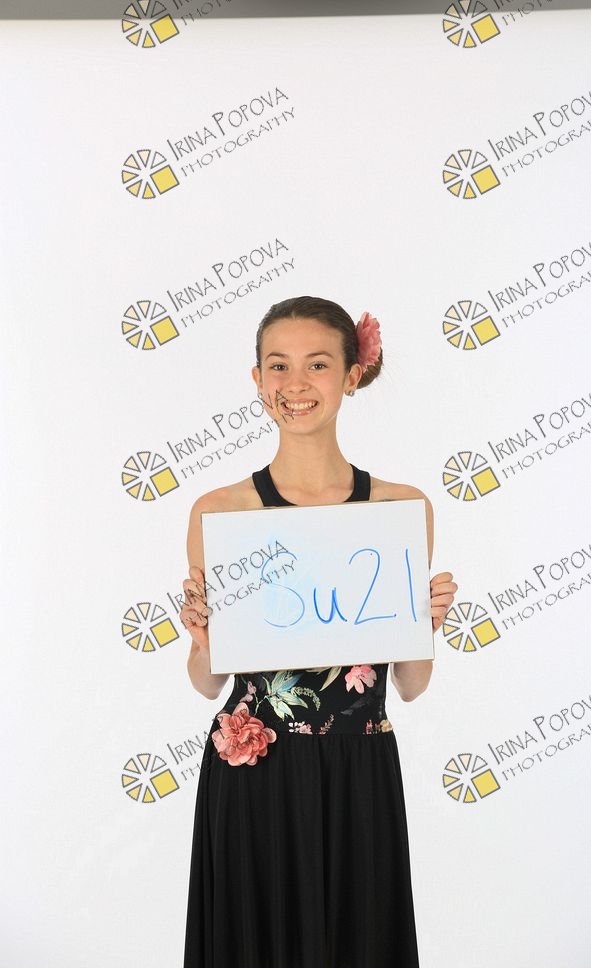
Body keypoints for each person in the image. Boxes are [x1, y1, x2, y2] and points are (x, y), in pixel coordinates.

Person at [179, 295, 457, 968]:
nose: (295, 384)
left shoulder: (399, 508)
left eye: (318, 364)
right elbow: (207, 682)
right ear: (257, 379)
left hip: (359, 764)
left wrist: (426, 626)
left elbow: (411, 685)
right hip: (255, 771)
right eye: (278, 365)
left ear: (352, 375)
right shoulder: (221, 511)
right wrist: (205, 637)